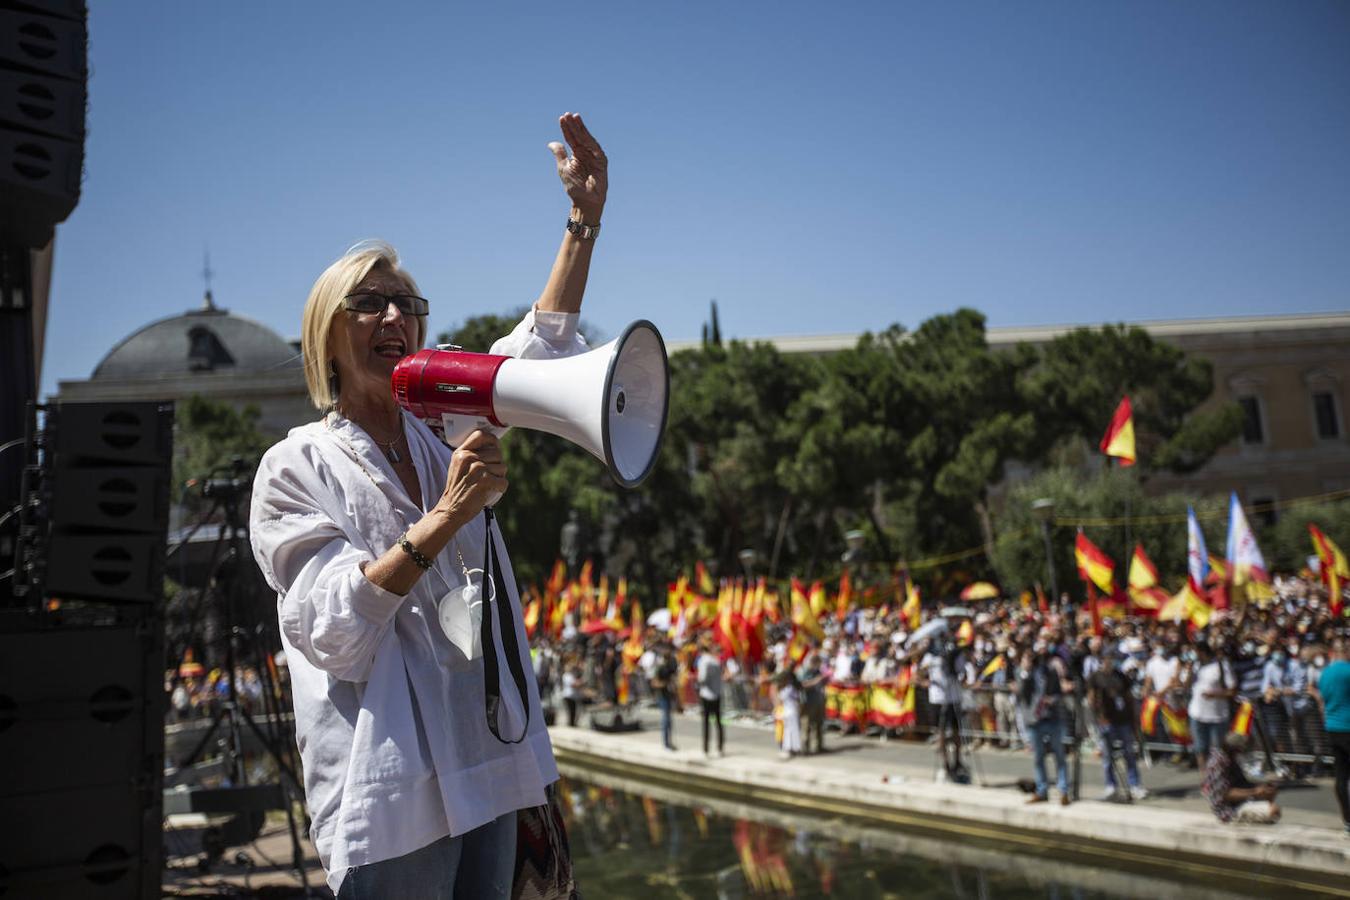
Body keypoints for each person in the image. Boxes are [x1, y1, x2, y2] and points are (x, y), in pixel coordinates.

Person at [248, 113, 607, 898]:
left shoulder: (445, 420)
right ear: (326, 335)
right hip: (393, 797)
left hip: (493, 764)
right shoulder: (295, 465)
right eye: (369, 304)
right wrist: (446, 515)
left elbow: (539, 349)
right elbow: (333, 632)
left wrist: (583, 220)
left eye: (406, 303)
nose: (394, 317)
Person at [1018, 640, 1073, 805]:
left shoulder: (1050, 671)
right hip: (1035, 721)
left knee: (1059, 756)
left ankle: (1063, 790)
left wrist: (1052, 700)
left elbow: (1058, 693)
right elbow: (1022, 694)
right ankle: (1042, 790)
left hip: (1052, 719)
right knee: (1038, 758)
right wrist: (1026, 671)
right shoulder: (1022, 674)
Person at [1087, 650, 1147, 800]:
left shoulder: (1121, 676)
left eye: (1111, 659)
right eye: (1106, 659)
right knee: (1108, 756)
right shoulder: (1095, 677)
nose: (1109, 662)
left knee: (1129, 754)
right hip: (1106, 721)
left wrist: (1133, 718)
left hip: (1123, 719)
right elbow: (1091, 699)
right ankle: (1110, 785)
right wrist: (1098, 717)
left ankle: (1134, 785)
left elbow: (1128, 697)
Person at [1202, 733, 1281, 824]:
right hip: (1228, 810)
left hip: (1240, 800)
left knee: (1270, 792)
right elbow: (1225, 794)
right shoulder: (1218, 763)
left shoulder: (1231, 760)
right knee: (1274, 811)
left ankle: (1260, 813)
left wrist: (1263, 787)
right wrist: (1255, 791)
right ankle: (1256, 815)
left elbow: (1242, 783)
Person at [1313, 638, 1350, 833]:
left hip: (1333, 727)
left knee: (1341, 776)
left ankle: (1347, 819)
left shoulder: (1325, 674)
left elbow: (1323, 700)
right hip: (1348, 726)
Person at [1188, 642, 1234, 769]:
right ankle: (1205, 782)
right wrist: (1188, 670)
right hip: (1197, 714)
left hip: (1217, 716)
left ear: (1202, 652)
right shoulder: (1195, 667)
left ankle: (1220, 778)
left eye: (1194, 651)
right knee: (1200, 749)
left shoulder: (1221, 666)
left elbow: (1232, 690)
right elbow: (1185, 686)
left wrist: (1215, 695)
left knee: (1218, 751)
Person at [696, 635, 725, 757]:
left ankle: (706, 749)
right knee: (718, 722)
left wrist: (698, 683)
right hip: (717, 694)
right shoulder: (716, 661)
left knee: (706, 723)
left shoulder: (704, 661)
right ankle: (719, 748)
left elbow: (702, 678)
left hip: (706, 694)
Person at [651, 642, 679, 751]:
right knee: (666, 718)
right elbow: (654, 682)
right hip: (662, 693)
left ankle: (669, 742)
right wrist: (664, 684)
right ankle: (666, 743)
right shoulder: (659, 664)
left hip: (669, 693)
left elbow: (674, 677)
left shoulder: (672, 662)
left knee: (669, 719)